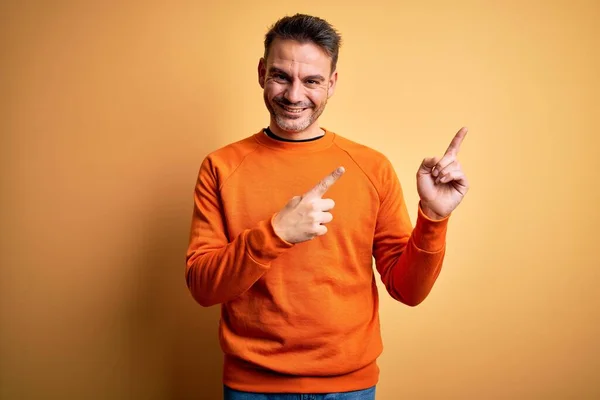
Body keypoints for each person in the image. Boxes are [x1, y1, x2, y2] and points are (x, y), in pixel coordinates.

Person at [185, 13, 469, 400]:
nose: (294, 95)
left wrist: (434, 217)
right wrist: (275, 234)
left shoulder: (371, 167)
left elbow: (408, 291)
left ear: (332, 83)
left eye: (312, 80)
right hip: (252, 387)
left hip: (348, 388)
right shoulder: (221, 166)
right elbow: (203, 287)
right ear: (261, 72)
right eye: (281, 76)